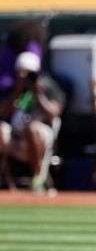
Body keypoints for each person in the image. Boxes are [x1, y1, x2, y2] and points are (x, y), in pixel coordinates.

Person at [0, 52, 64, 193]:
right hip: (16, 137)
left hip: (40, 136)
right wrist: (17, 91)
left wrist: (37, 93)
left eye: (27, 72)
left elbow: (54, 113)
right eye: (20, 71)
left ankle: (37, 180)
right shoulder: (13, 87)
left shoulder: (47, 86)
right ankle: (7, 182)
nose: (23, 75)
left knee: (32, 128)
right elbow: (3, 113)